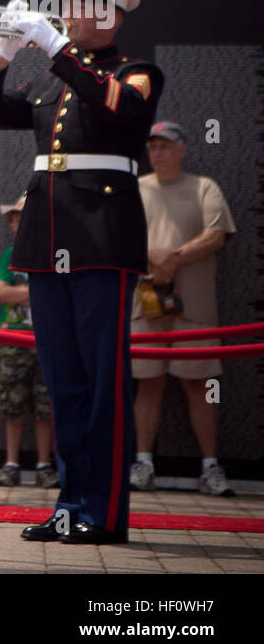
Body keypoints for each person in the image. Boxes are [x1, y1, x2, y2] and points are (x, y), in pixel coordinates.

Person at [0, 0, 162, 545]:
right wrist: (2, 52)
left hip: (103, 238)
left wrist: (51, 45)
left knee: (103, 381)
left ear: (111, 15)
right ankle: (71, 504)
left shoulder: (136, 72)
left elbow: (121, 109)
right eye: (65, 6)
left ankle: (102, 512)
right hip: (47, 238)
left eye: (80, 6)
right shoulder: (50, 79)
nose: (67, 15)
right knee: (65, 381)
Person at [130, 121, 236, 496]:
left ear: (183, 149)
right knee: (148, 384)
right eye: (153, 146)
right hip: (146, 307)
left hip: (195, 309)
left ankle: (210, 466)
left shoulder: (204, 186)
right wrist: (152, 256)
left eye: (166, 146)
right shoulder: (136, 188)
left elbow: (217, 233)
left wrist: (172, 258)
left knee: (201, 385)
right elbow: (120, 235)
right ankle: (143, 462)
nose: (158, 153)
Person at [0, 194, 57, 489]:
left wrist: (28, 295)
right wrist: (36, 296)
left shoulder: (54, 255)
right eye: (14, 218)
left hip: (46, 339)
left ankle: (45, 464)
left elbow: (59, 294)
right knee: (12, 404)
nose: (17, 222)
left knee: (46, 405)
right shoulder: (9, 255)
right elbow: (1, 292)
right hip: (14, 340)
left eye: (23, 217)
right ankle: (11, 463)